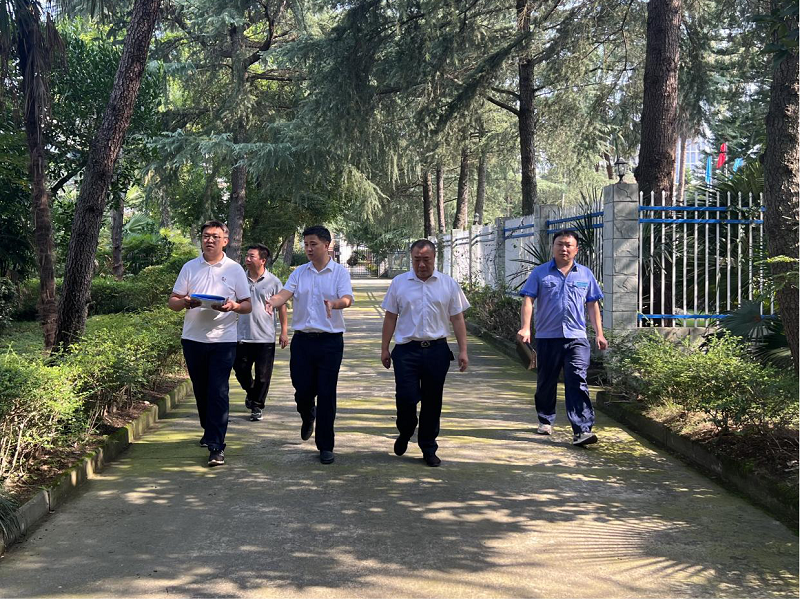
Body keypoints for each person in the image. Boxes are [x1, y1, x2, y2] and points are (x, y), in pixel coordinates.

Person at [266, 225, 353, 464]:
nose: (309, 249)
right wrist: (272, 301)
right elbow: (284, 294)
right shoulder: (299, 273)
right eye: (306, 245)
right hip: (303, 341)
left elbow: (347, 298)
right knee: (302, 389)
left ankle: (326, 445)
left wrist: (335, 304)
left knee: (326, 393)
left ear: (326, 245)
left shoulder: (339, 273)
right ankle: (307, 414)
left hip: (330, 342)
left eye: (313, 244)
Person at [169, 220, 252, 467]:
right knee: (201, 389)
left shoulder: (235, 269)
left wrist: (233, 306)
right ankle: (209, 429)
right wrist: (185, 302)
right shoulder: (190, 267)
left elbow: (247, 305)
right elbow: (173, 302)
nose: (210, 240)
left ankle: (217, 446)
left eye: (215, 236)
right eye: (206, 236)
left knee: (218, 390)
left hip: (223, 340)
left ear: (225, 241)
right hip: (193, 339)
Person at [380, 239, 469, 467]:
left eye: (426, 260)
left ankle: (428, 447)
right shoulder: (399, 283)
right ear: (411, 259)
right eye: (416, 260)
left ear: (434, 258)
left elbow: (457, 318)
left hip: (437, 350)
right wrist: (384, 348)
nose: (421, 265)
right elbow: (390, 317)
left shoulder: (448, 284)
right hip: (406, 350)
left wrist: (463, 350)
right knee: (406, 398)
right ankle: (406, 430)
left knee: (432, 401)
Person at [517, 229, 608, 446]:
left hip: (577, 338)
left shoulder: (585, 274)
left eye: (568, 245)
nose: (564, 249)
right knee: (546, 380)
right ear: (553, 247)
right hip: (547, 337)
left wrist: (599, 333)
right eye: (560, 244)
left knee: (577, 379)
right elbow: (528, 300)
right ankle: (545, 418)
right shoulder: (540, 273)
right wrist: (526, 328)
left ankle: (582, 430)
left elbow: (592, 304)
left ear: (576, 249)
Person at [234, 244, 289, 422]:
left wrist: (284, 332)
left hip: (265, 337)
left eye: (252, 256)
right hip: (242, 335)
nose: (247, 259)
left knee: (263, 376)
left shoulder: (274, 282)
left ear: (263, 260)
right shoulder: (239, 279)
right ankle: (252, 393)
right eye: (247, 256)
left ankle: (256, 406)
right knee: (240, 370)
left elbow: (282, 307)